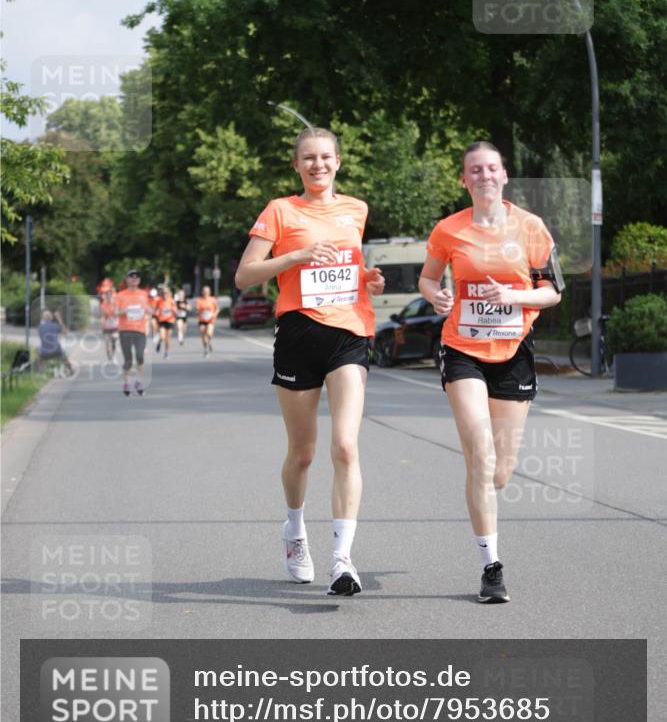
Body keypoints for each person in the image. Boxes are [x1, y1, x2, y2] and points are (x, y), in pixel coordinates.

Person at [235, 127, 384, 596]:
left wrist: (368, 279)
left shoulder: (356, 209)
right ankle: (295, 531)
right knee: (303, 453)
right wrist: (295, 255)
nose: (318, 165)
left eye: (325, 157)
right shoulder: (280, 211)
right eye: (309, 158)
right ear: (296, 165)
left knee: (346, 446)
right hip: (298, 334)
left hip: (350, 331)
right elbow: (244, 276)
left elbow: (347, 270)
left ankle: (342, 560)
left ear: (338, 162)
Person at [418, 141, 564, 603]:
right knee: (480, 456)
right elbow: (428, 277)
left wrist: (514, 297)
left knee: (501, 470)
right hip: (463, 349)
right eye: (475, 170)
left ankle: (484, 489)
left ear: (504, 176)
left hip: (514, 350)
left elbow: (553, 292)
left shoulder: (530, 227)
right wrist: (435, 296)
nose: (484, 175)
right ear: (464, 180)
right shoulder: (449, 229)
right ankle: (491, 567)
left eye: (491, 168)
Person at [116, 269, 151, 395]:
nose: (134, 279)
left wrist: (149, 311)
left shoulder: (143, 294)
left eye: (137, 277)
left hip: (140, 330)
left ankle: (139, 381)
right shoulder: (120, 295)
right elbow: (115, 312)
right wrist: (125, 311)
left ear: (139, 280)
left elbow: (148, 309)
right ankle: (127, 382)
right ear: (127, 280)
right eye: (132, 277)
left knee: (140, 355)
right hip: (125, 330)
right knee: (128, 359)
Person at [36, 309, 74, 375]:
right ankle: (71, 370)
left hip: (44, 352)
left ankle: (40, 371)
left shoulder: (40, 327)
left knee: (38, 353)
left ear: (43, 318)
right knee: (64, 355)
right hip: (56, 350)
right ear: (51, 318)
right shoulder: (55, 325)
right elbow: (66, 332)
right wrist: (59, 318)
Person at [195, 286, 219, 356]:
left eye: (207, 291)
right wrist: (198, 312)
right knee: (203, 334)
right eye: (204, 291)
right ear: (202, 292)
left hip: (211, 319)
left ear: (209, 292)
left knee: (209, 334)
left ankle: (209, 341)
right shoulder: (199, 300)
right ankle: (205, 349)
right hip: (202, 319)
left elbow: (217, 309)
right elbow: (197, 310)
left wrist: (215, 314)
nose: (206, 292)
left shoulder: (213, 299)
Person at [156, 286, 178, 359]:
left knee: (168, 338)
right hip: (162, 321)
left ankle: (166, 352)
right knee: (162, 337)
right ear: (161, 293)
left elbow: (176, 312)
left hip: (170, 321)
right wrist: (156, 313)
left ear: (169, 293)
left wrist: (173, 309)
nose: (165, 294)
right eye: (163, 293)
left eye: (166, 293)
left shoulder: (172, 301)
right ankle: (159, 343)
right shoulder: (159, 301)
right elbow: (156, 310)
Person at [99, 287, 119, 360]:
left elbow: (117, 313)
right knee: (107, 342)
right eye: (107, 295)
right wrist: (102, 321)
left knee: (114, 340)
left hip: (115, 325)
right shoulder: (103, 305)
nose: (109, 296)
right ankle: (108, 353)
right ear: (106, 296)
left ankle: (112, 353)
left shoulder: (115, 304)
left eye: (110, 295)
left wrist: (115, 313)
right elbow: (102, 315)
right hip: (106, 326)